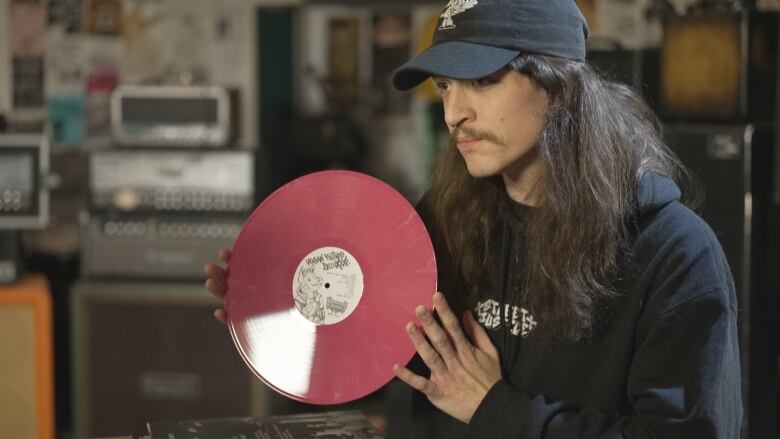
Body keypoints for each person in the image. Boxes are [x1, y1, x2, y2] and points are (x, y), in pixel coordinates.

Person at [205, 0, 743, 437]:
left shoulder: (674, 255)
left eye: (481, 80)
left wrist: (495, 409)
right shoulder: (443, 219)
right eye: (444, 86)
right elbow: (382, 363)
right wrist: (281, 306)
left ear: (561, 86)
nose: (453, 112)